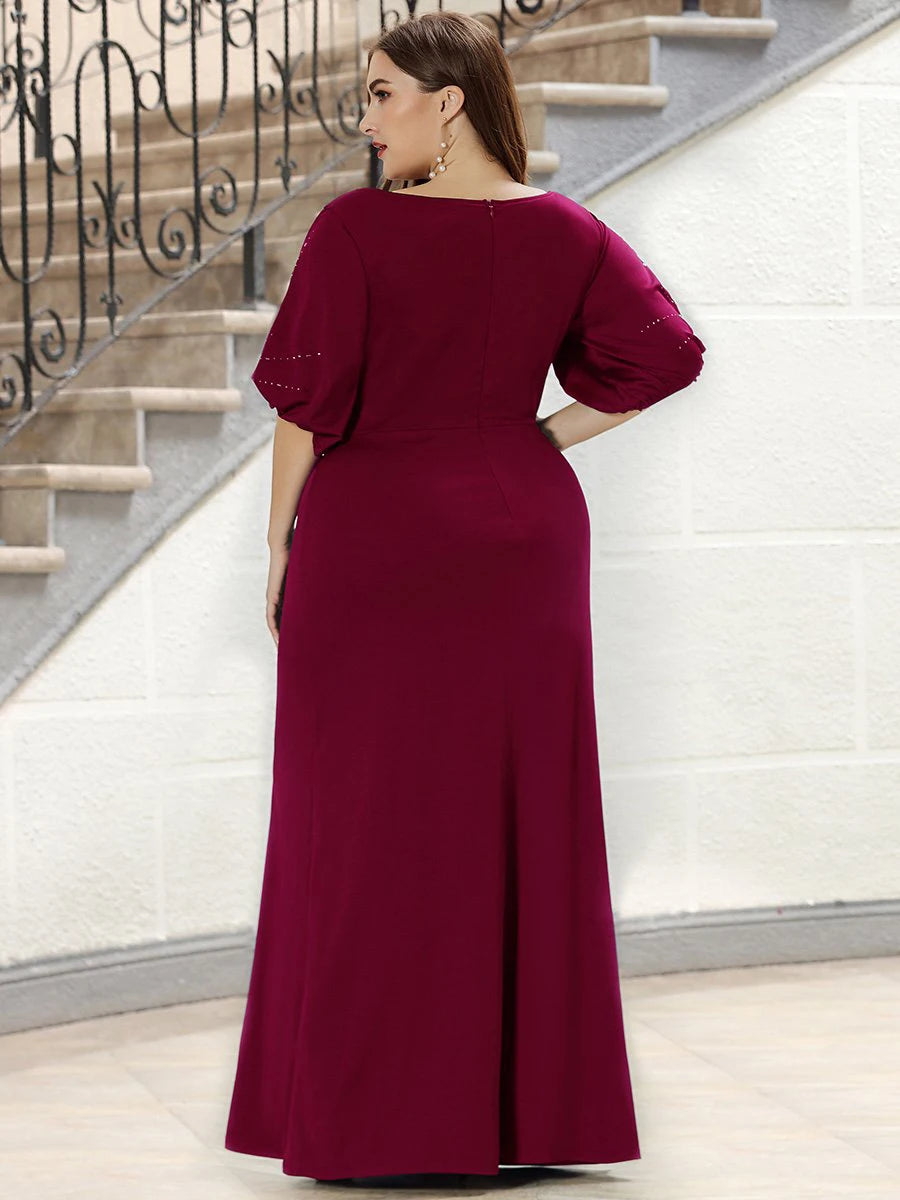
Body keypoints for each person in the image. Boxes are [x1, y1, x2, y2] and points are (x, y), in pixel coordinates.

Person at [224, 10, 706, 1189]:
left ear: (449, 100)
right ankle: (525, 1123)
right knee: (516, 814)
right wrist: (534, 440)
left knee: (358, 823)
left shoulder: (356, 230)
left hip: (376, 542)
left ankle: (371, 1122)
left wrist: (278, 544)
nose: (367, 119)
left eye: (382, 93)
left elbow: (304, 406)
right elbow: (668, 354)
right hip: (522, 536)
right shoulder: (569, 232)